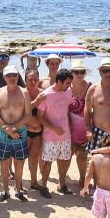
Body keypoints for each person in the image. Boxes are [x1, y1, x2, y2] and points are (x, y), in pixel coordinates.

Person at [0, 65, 30, 201]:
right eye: (9, 76)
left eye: (14, 75)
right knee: (4, 163)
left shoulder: (24, 92)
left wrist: (13, 128)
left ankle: (19, 190)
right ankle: (5, 191)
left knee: (19, 163)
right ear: (4, 77)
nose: (12, 78)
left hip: (20, 132)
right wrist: (7, 128)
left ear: (18, 77)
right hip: (2, 133)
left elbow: (27, 115)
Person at [38, 68, 74, 197]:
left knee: (64, 160)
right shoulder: (46, 95)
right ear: (59, 81)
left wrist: (70, 125)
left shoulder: (68, 91)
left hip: (66, 134)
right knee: (48, 162)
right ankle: (43, 186)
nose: (69, 86)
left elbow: (68, 109)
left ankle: (62, 184)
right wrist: (53, 128)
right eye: (67, 83)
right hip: (50, 136)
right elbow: (39, 117)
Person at [84, 57, 110, 156]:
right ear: (100, 72)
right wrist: (88, 130)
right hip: (98, 131)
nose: (108, 74)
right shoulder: (93, 89)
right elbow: (87, 110)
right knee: (97, 163)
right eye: (104, 71)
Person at [68, 60, 92, 190]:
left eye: (81, 72)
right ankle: (62, 180)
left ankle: (82, 179)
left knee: (82, 157)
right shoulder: (66, 87)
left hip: (85, 129)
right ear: (71, 73)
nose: (79, 74)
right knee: (67, 156)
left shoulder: (90, 87)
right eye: (76, 72)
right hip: (69, 129)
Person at [23, 68, 45, 191]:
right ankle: (18, 184)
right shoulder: (22, 93)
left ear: (38, 80)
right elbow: (22, 111)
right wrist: (36, 102)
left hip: (38, 131)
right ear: (26, 80)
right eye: (30, 79)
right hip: (25, 131)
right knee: (20, 158)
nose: (33, 82)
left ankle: (33, 181)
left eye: (35, 79)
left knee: (34, 157)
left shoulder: (42, 93)